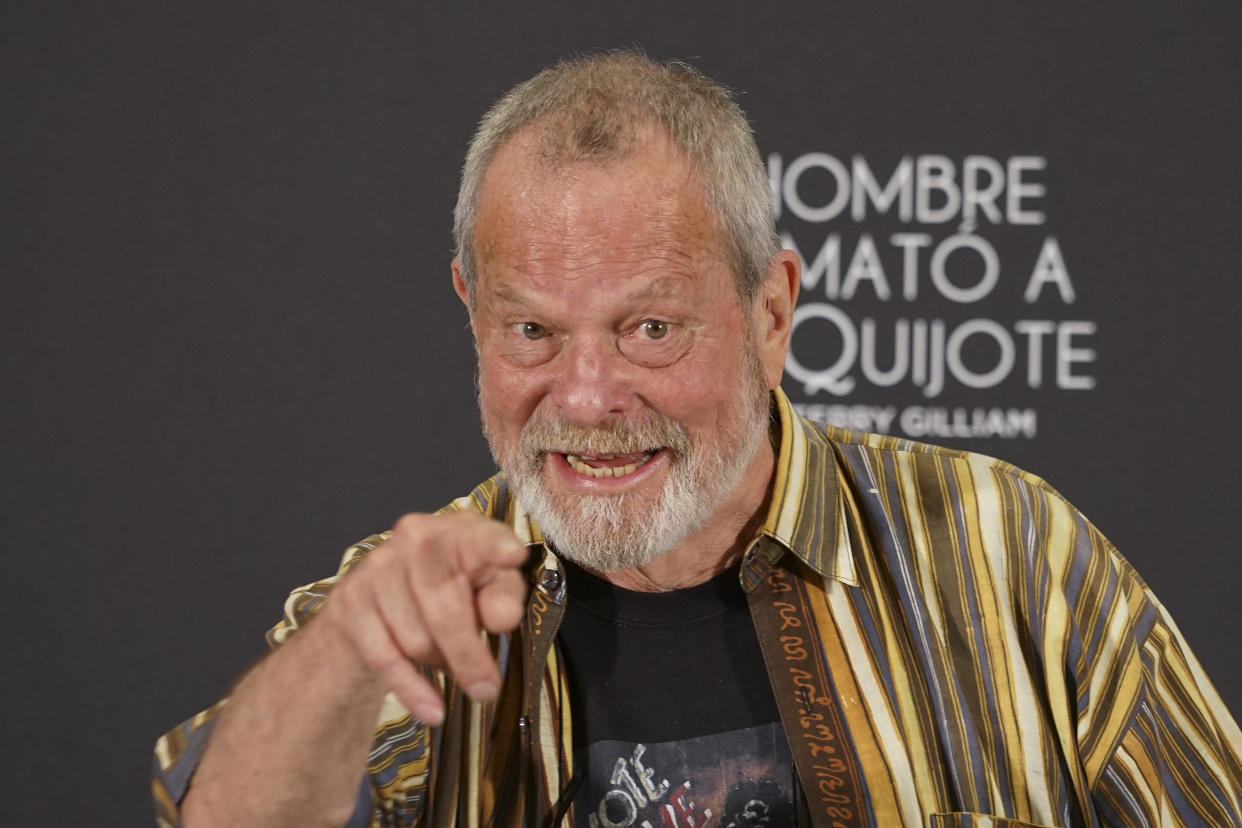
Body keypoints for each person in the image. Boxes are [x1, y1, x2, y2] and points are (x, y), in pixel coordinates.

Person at [154, 51, 1242, 828]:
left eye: (651, 329)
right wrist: (346, 653)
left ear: (770, 314)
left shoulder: (1012, 552)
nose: (588, 396)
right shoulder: (398, 612)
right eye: (532, 329)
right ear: (470, 310)